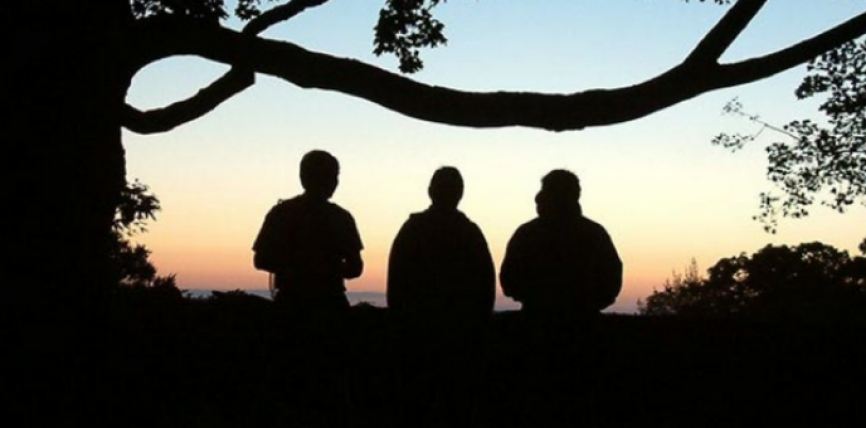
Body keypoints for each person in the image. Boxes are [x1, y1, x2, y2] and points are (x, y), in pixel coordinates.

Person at [252, 150, 364, 314]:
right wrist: (325, 268)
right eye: (330, 176)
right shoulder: (341, 217)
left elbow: (261, 260)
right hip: (329, 303)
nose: (333, 182)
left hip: (292, 303)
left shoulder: (281, 213)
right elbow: (355, 268)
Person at [500, 169, 622, 317]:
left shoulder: (527, 233)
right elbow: (611, 279)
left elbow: (509, 280)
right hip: (584, 320)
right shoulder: (595, 233)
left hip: (536, 319)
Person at [386, 166, 496, 321]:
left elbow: (396, 282)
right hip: (462, 323)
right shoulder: (470, 233)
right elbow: (486, 285)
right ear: (460, 194)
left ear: (430, 191)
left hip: (416, 322)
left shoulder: (412, 230)